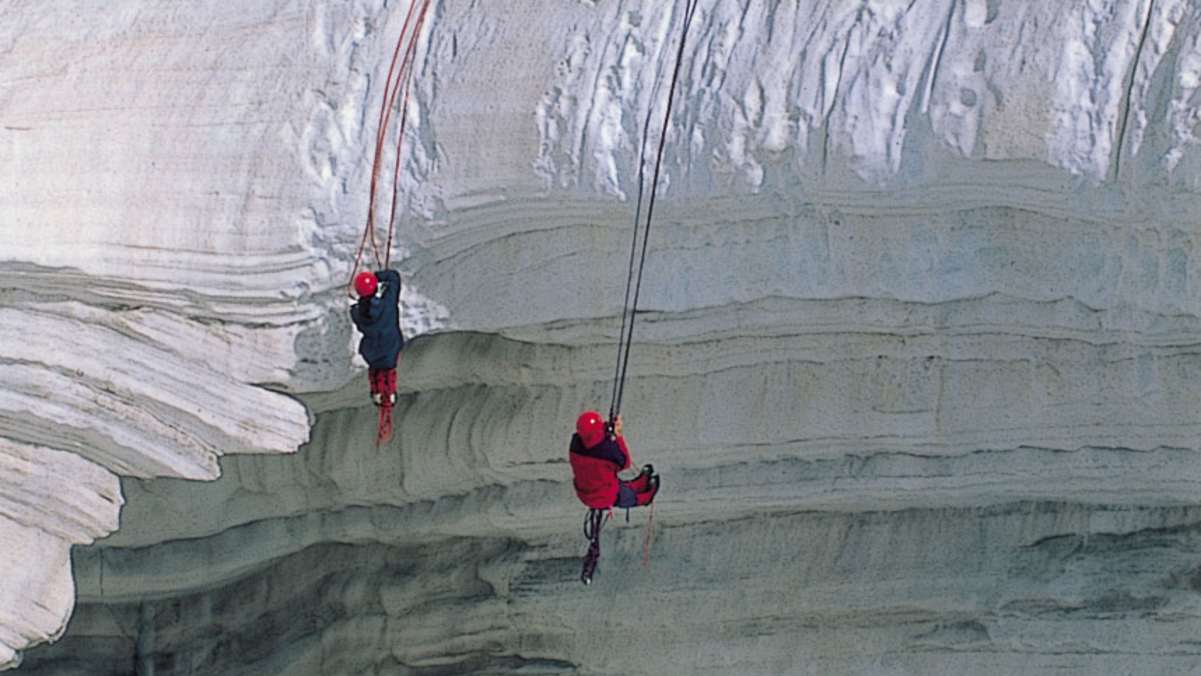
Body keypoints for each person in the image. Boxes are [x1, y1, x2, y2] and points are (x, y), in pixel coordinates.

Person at [350, 269, 405, 442]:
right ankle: (386, 395)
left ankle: (379, 393)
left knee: (380, 370)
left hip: (372, 350)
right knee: (387, 371)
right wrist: (376, 276)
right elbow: (394, 278)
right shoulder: (387, 305)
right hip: (389, 346)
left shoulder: (360, 314)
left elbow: (355, 311)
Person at [569, 411, 658, 510]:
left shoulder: (575, 445)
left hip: (584, 494)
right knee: (621, 495)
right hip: (604, 497)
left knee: (606, 481)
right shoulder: (607, 451)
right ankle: (645, 498)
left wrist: (608, 430)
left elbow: (593, 441)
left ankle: (637, 485)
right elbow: (625, 463)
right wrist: (618, 436)